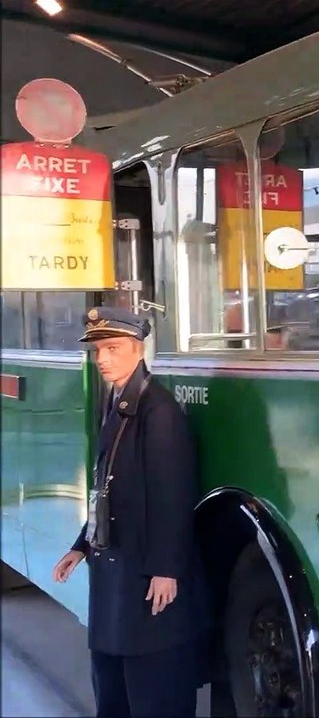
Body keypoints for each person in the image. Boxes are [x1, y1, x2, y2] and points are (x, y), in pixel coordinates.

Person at [52, 306, 209, 718]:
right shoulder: (118, 402)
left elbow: (173, 495)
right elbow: (107, 490)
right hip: (115, 574)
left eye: (113, 348)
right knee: (113, 685)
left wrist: (166, 569)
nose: (102, 358)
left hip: (143, 574)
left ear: (138, 349)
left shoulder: (159, 412)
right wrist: (81, 545)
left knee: (154, 686)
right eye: (98, 350)